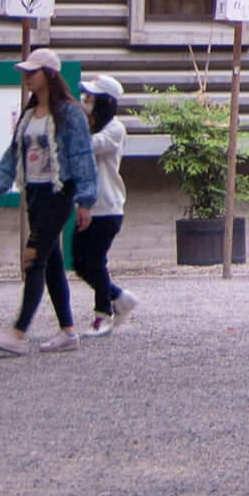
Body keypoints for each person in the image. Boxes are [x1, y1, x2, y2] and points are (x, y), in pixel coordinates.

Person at [0, 47, 98, 356]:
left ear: (50, 75)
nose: (27, 78)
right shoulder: (29, 115)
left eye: (33, 72)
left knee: (33, 257)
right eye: (25, 73)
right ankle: (68, 331)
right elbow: (12, 155)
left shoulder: (70, 113)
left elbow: (83, 157)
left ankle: (18, 333)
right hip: (34, 192)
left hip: (59, 191)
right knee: (51, 261)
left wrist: (85, 201)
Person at [73, 74, 138, 337]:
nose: (85, 100)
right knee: (79, 262)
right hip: (87, 205)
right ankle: (119, 297)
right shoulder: (90, 125)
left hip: (107, 207)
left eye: (90, 97)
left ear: (105, 102)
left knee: (95, 261)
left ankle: (103, 315)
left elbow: (89, 147)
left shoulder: (115, 129)